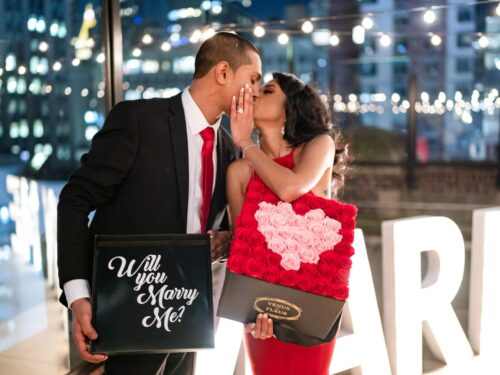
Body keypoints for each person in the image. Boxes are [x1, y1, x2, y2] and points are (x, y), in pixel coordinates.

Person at [57, 32, 262, 374]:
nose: (256, 90)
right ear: (223, 72)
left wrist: (223, 242)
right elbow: (74, 200)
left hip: (187, 320)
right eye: (253, 79)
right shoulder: (138, 120)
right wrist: (80, 295)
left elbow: (221, 228)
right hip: (124, 313)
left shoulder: (230, 148)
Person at [227, 72, 349, 374]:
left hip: (311, 300)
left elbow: (290, 188)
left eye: (267, 91)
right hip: (262, 309)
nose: (254, 95)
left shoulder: (318, 146)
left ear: (291, 107)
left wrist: (245, 142)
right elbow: (241, 247)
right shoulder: (239, 171)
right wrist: (250, 312)